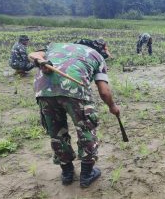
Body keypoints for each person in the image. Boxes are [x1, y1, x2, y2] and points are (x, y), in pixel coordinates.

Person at [28, 42, 120, 188]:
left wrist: (42, 61)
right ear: (99, 50)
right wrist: (113, 106)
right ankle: (86, 175)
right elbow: (103, 91)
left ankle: (67, 173)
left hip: (44, 91)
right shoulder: (97, 56)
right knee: (86, 129)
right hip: (75, 90)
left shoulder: (55, 46)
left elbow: (33, 54)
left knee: (56, 132)